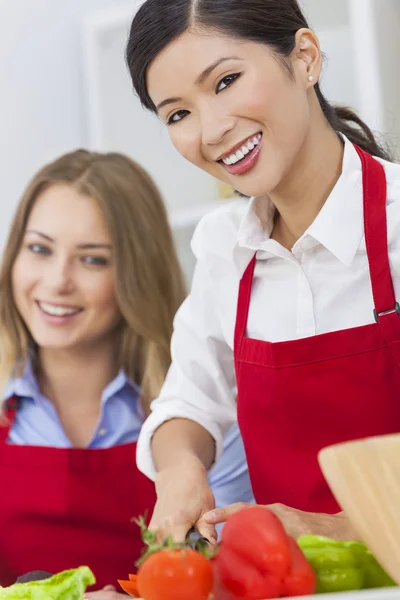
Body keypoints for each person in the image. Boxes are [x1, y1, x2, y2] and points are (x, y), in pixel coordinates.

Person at [125, 0, 400, 545]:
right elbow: (189, 403)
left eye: (226, 81)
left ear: (305, 58)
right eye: (177, 114)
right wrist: (182, 469)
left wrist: (329, 530)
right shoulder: (226, 250)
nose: (211, 130)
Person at [0, 150, 254, 598]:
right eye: (39, 249)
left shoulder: (204, 419)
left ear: (135, 274)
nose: (58, 280)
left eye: (92, 260)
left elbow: (239, 577)